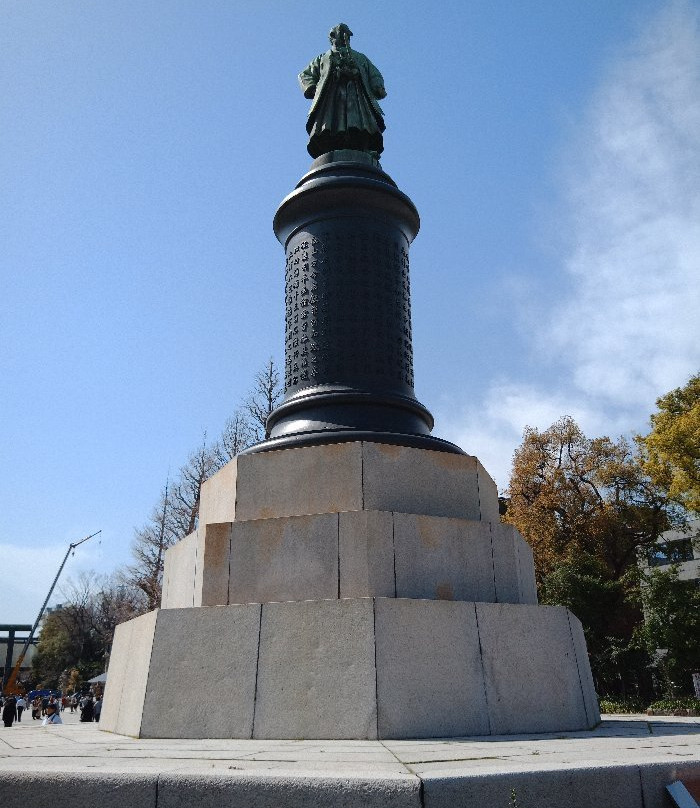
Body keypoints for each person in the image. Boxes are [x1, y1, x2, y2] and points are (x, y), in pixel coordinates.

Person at [299, 23, 387, 159]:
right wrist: (313, 88)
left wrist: (377, 85)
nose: (344, 38)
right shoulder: (323, 58)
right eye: (341, 35)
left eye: (346, 35)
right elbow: (305, 75)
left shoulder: (360, 58)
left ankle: (363, 148)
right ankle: (329, 149)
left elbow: (374, 74)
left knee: (361, 123)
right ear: (332, 38)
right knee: (330, 122)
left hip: (357, 95)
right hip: (332, 97)